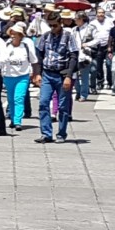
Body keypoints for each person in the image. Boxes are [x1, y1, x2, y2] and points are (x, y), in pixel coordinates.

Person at [33, 12, 79, 144]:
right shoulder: (45, 36)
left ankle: (61, 133)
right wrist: (37, 73)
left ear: (61, 23)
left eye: (55, 25)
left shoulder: (68, 36)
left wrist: (69, 76)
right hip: (48, 74)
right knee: (43, 103)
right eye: (50, 25)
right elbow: (39, 55)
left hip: (62, 74)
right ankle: (46, 133)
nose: (53, 28)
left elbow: (74, 56)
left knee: (63, 106)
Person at [2, 23, 38, 131]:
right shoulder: (7, 45)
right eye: (11, 33)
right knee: (11, 99)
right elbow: (1, 59)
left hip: (22, 76)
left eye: (15, 34)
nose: (13, 36)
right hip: (8, 76)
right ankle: (13, 119)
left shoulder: (26, 47)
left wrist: (35, 74)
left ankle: (18, 121)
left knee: (19, 98)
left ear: (20, 35)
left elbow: (34, 60)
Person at [73, 12, 97, 103]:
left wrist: (88, 44)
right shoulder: (74, 29)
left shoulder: (91, 28)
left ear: (81, 19)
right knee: (74, 75)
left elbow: (98, 39)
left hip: (85, 54)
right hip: (75, 54)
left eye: (76, 19)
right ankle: (78, 92)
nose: (75, 20)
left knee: (84, 76)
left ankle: (83, 94)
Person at [89, 8, 113, 93]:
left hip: (108, 46)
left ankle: (110, 82)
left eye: (102, 13)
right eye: (99, 13)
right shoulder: (92, 23)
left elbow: (112, 33)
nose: (101, 14)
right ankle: (100, 82)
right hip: (97, 47)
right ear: (96, 14)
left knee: (109, 64)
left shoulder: (110, 22)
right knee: (98, 66)